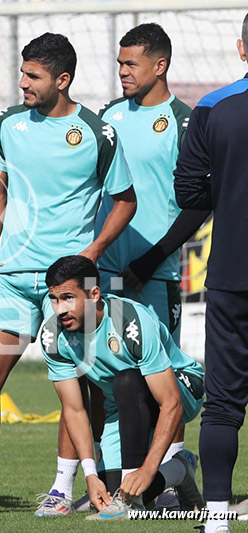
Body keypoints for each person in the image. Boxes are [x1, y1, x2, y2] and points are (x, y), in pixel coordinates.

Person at [0, 32, 136, 517]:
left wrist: (93, 251)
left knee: (75, 388)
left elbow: (125, 199)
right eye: (22, 73)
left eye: (33, 76)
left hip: (65, 287)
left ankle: (61, 491)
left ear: (62, 80)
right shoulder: (6, 125)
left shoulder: (97, 133)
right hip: (12, 281)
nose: (22, 83)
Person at [42, 23, 211, 517]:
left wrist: (152, 258)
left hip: (152, 273)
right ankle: (104, 482)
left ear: (160, 65)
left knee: (157, 380)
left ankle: (169, 477)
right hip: (103, 272)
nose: (122, 73)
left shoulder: (185, 122)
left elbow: (198, 204)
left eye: (131, 64)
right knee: (98, 383)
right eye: (118, 64)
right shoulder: (108, 118)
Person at [42, 255, 205, 520]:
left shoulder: (130, 320)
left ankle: (132, 501)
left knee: (126, 379)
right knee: (108, 493)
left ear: (94, 293)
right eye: (54, 299)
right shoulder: (52, 336)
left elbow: (171, 403)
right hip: (123, 402)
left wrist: (149, 468)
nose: (60, 309)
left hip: (183, 385)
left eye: (68, 298)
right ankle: (180, 470)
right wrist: (91, 475)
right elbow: (74, 410)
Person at [174, 12, 248, 533]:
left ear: (242, 49)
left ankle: (217, 518)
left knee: (223, 402)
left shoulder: (212, 107)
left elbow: (189, 192)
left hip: (232, 274)